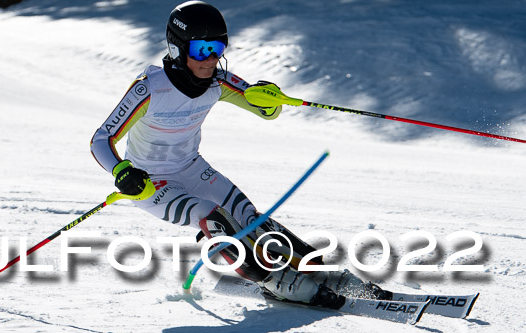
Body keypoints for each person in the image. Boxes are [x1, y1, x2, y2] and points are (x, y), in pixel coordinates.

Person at [91, 1, 384, 307]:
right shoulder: (150, 88)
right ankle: (275, 282)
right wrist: (122, 171)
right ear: (177, 48)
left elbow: (267, 112)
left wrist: (270, 97)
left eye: (218, 48)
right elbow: (101, 139)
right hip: (150, 182)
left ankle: (322, 273)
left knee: (251, 219)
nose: (212, 59)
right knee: (210, 215)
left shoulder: (219, 81)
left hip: (192, 168)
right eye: (202, 50)